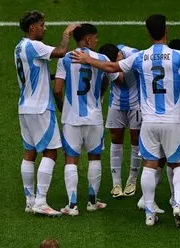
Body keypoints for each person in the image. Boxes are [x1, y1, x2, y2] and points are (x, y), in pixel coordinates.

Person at [71, 14, 180, 228]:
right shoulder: (178, 56)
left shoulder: (140, 57)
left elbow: (112, 68)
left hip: (149, 122)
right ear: (166, 31)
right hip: (173, 121)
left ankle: (149, 211)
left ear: (148, 33)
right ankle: (177, 204)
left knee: (150, 164)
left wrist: (88, 59)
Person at [15, 11, 76, 216]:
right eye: (42, 25)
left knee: (29, 152)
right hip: (41, 107)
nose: (45, 28)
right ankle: (41, 201)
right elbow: (60, 51)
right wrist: (67, 34)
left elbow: (34, 71)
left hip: (24, 107)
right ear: (32, 28)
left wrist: (51, 75)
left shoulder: (19, 47)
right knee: (50, 152)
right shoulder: (35, 45)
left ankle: (29, 200)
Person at [53, 23, 117, 216]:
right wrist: (99, 95)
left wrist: (64, 109)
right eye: (95, 38)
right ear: (88, 39)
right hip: (95, 118)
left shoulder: (65, 59)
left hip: (71, 119)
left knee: (71, 159)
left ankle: (72, 205)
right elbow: (113, 77)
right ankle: (92, 201)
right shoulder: (102, 58)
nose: (97, 41)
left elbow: (57, 90)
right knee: (94, 157)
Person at [98, 43, 143, 198]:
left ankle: (132, 179)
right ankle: (116, 183)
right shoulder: (107, 60)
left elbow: (123, 79)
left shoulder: (134, 54)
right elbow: (115, 79)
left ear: (119, 53)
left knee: (135, 140)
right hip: (116, 103)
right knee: (116, 139)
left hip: (136, 104)